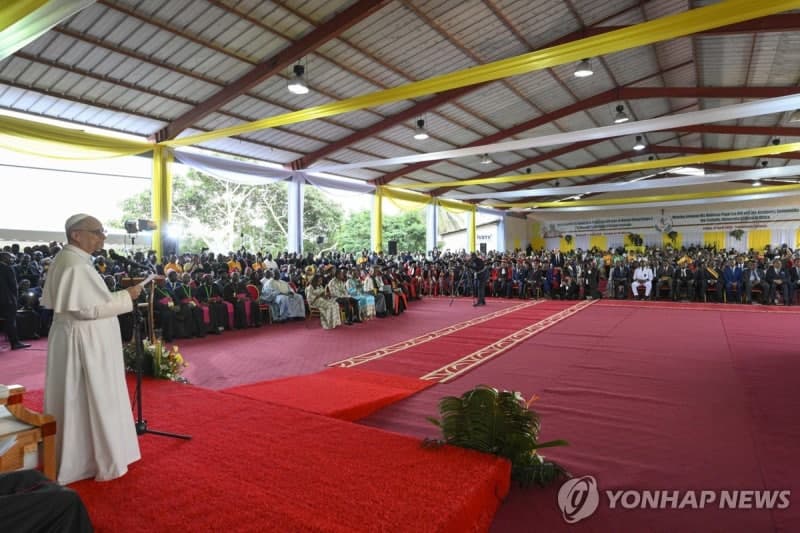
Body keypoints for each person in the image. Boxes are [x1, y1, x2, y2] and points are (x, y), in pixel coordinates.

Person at [42, 214, 143, 485]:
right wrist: (127, 297)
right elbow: (87, 310)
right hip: (83, 342)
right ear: (76, 234)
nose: (103, 237)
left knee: (79, 397)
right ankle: (90, 459)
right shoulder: (75, 265)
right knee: (87, 395)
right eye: (96, 231)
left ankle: (86, 454)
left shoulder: (73, 260)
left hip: (79, 337)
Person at [0, 252, 30, 350]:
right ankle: (15, 343)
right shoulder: (8, 268)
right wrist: (15, 298)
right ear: (4, 258)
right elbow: (13, 286)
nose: (12, 260)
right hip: (7, 300)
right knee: (11, 321)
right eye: (10, 258)